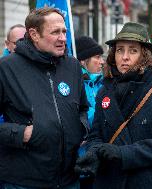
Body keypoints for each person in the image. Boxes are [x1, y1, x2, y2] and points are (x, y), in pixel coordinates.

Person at [75, 22, 152, 189]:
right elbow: (95, 135)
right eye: (120, 50)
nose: (125, 57)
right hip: (110, 181)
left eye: (133, 50)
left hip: (148, 182)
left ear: (144, 55)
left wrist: (123, 154)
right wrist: (94, 152)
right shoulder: (105, 90)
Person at [0, 7, 88, 189]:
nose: (63, 38)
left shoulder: (72, 65)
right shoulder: (6, 68)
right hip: (23, 181)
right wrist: (20, 134)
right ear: (34, 34)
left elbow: (83, 109)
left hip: (69, 180)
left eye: (64, 31)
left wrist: (80, 128)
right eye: (55, 32)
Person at [75, 36, 104, 189]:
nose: (102, 62)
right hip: (78, 161)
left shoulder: (105, 82)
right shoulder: (74, 83)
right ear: (82, 61)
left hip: (100, 161)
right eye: (97, 57)